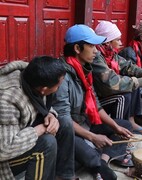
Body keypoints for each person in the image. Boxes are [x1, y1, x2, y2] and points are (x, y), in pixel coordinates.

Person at [52, 24, 133, 180]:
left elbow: (95, 105)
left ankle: (102, 160)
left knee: (124, 127)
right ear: (77, 48)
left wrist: (115, 126)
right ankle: (95, 161)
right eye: (91, 46)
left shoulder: (85, 70)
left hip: (86, 124)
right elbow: (64, 119)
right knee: (103, 168)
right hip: (69, 132)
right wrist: (92, 137)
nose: (96, 50)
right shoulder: (62, 76)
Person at [0, 56, 75, 179]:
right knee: (47, 144)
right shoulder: (6, 99)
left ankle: (63, 177)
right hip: (5, 158)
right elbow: (4, 150)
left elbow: (38, 104)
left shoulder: (32, 78)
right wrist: (38, 130)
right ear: (44, 89)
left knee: (65, 124)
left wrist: (50, 115)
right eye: (58, 85)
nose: (58, 89)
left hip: (22, 132)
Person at [94, 21, 142, 135]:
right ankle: (118, 131)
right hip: (98, 100)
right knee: (124, 97)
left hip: (107, 94)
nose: (121, 42)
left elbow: (127, 66)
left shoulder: (111, 55)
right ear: (107, 42)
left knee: (134, 84)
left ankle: (130, 122)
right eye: (117, 40)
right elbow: (111, 82)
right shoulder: (97, 58)